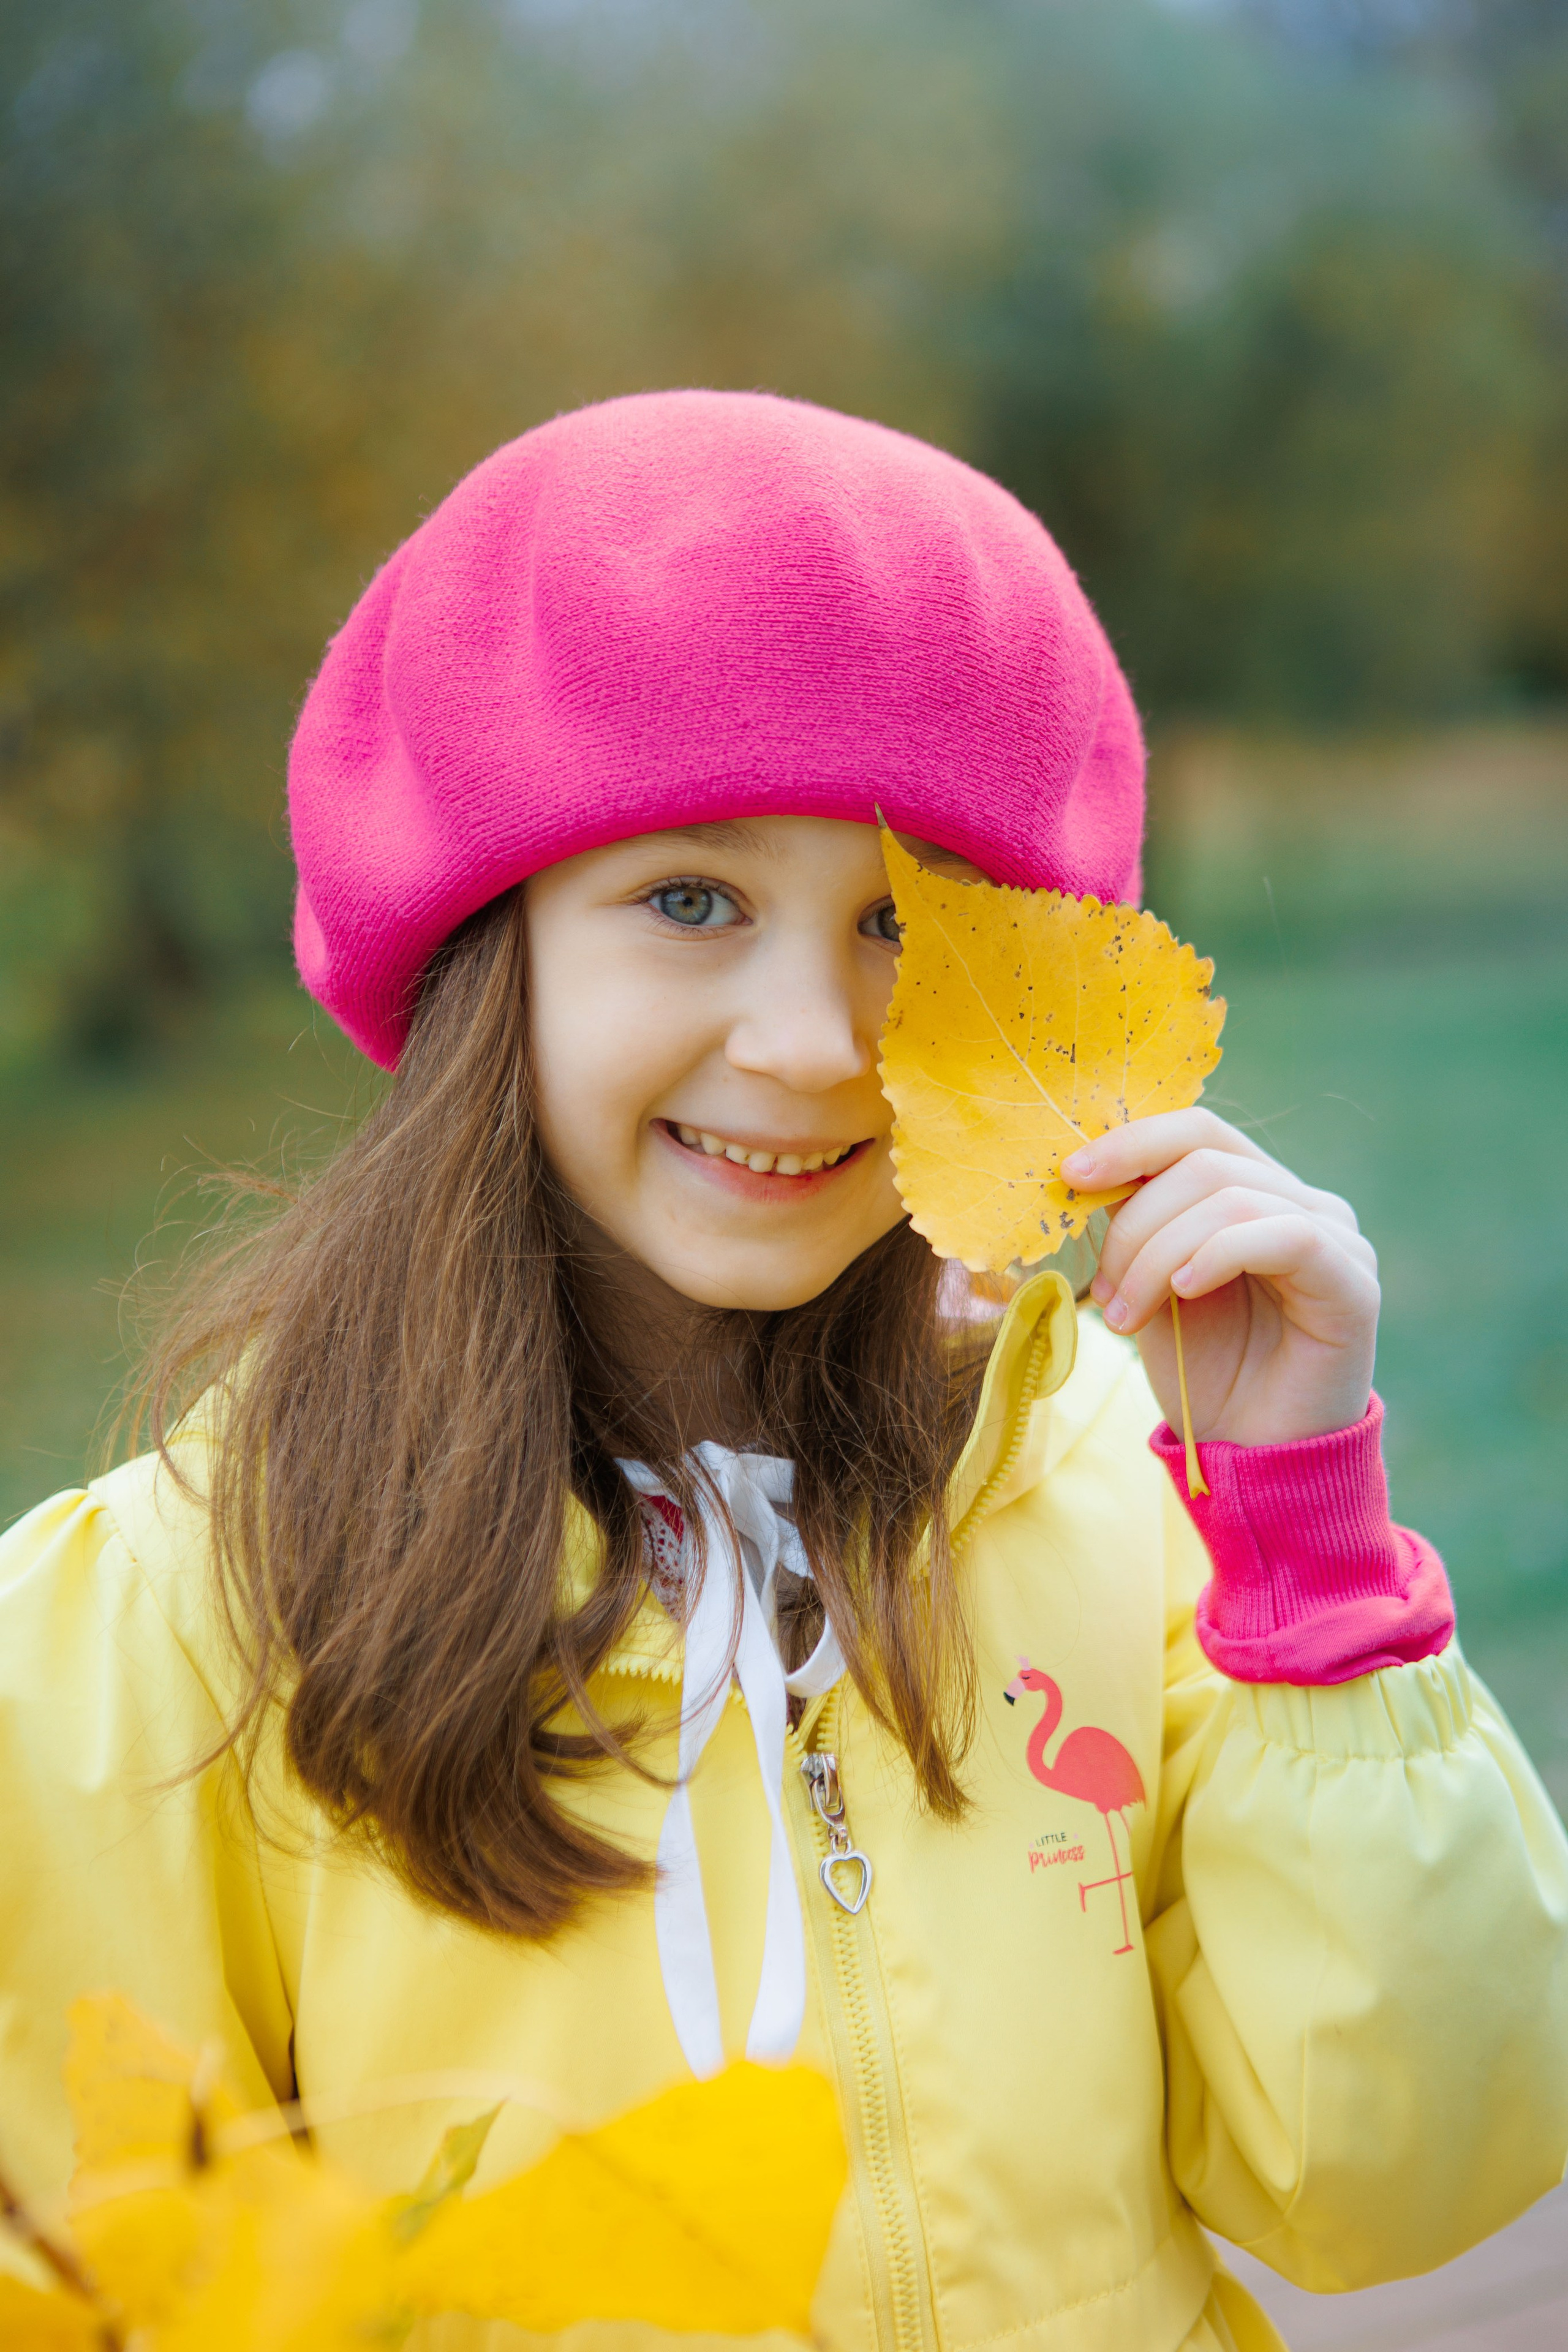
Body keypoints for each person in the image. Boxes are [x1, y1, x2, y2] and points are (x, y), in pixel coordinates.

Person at [1, 391, 1564, 2352]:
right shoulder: (161, 1633)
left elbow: (1401, 2179)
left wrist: (1299, 1543)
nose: (817, 1037)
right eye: (690, 901)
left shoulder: (1107, 1501)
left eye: (909, 925)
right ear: (492, 948)